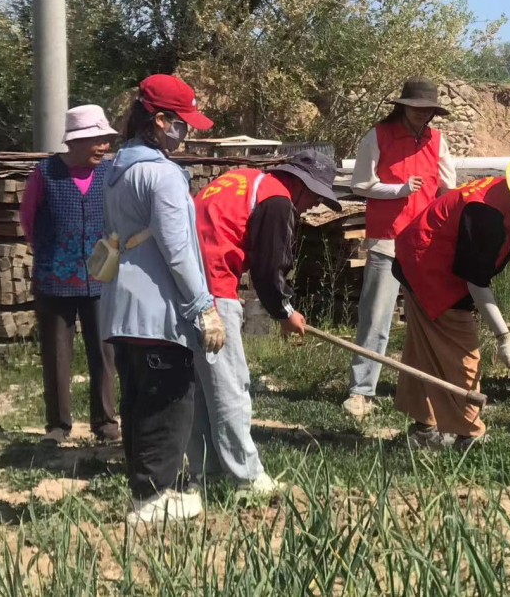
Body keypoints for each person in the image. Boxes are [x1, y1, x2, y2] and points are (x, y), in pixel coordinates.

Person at [100, 75, 226, 527]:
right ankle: (153, 498)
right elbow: (178, 251)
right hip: (159, 309)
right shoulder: (163, 175)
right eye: (181, 123)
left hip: (122, 305)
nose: (185, 132)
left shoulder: (116, 169)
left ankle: (144, 490)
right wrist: (203, 307)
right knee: (168, 403)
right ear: (159, 120)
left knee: (137, 400)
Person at [392, 160, 510, 447]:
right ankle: (469, 435)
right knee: (463, 354)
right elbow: (475, 282)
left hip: (422, 256)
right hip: (428, 266)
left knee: (426, 348)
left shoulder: (505, 196)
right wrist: (503, 336)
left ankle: (424, 429)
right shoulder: (486, 215)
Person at [191, 149, 345, 495]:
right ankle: (247, 478)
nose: (313, 206)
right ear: (301, 183)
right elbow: (268, 269)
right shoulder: (277, 200)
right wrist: (285, 312)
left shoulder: (242, 179)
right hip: (214, 291)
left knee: (201, 390)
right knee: (231, 387)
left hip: (187, 288)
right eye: (316, 196)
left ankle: (207, 471)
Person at [342, 77, 456, 419]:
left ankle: (429, 388)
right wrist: (399, 190)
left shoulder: (437, 141)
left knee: (432, 320)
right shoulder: (378, 135)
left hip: (425, 244)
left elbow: (447, 189)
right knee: (376, 318)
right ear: (402, 107)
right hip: (387, 240)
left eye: (428, 109)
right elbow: (360, 184)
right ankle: (361, 392)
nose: (422, 114)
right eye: (416, 108)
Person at [20, 105, 120, 445]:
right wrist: (52, 253)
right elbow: (28, 220)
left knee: (104, 352)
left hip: (101, 276)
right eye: (96, 140)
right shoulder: (45, 173)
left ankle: (105, 422)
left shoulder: (109, 173)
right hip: (55, 277)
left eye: (105, 140)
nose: (103, 146)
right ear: (74, 142)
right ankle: (58, 425)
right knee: (56, 353)